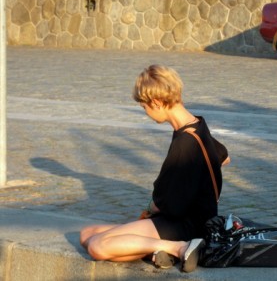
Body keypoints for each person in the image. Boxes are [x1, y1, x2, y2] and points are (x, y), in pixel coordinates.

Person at [80, 64, 230, 273]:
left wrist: (152, 208)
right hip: (191, 219)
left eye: (145, 107)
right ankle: (158, 250)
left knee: (97, 246)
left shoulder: (184, 144)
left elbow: (170, 205)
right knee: (87, 233)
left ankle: (177, 248)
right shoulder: (197, 125)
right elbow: (224, 156)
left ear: (157, 103)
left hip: (186, 225)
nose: (146, 113)